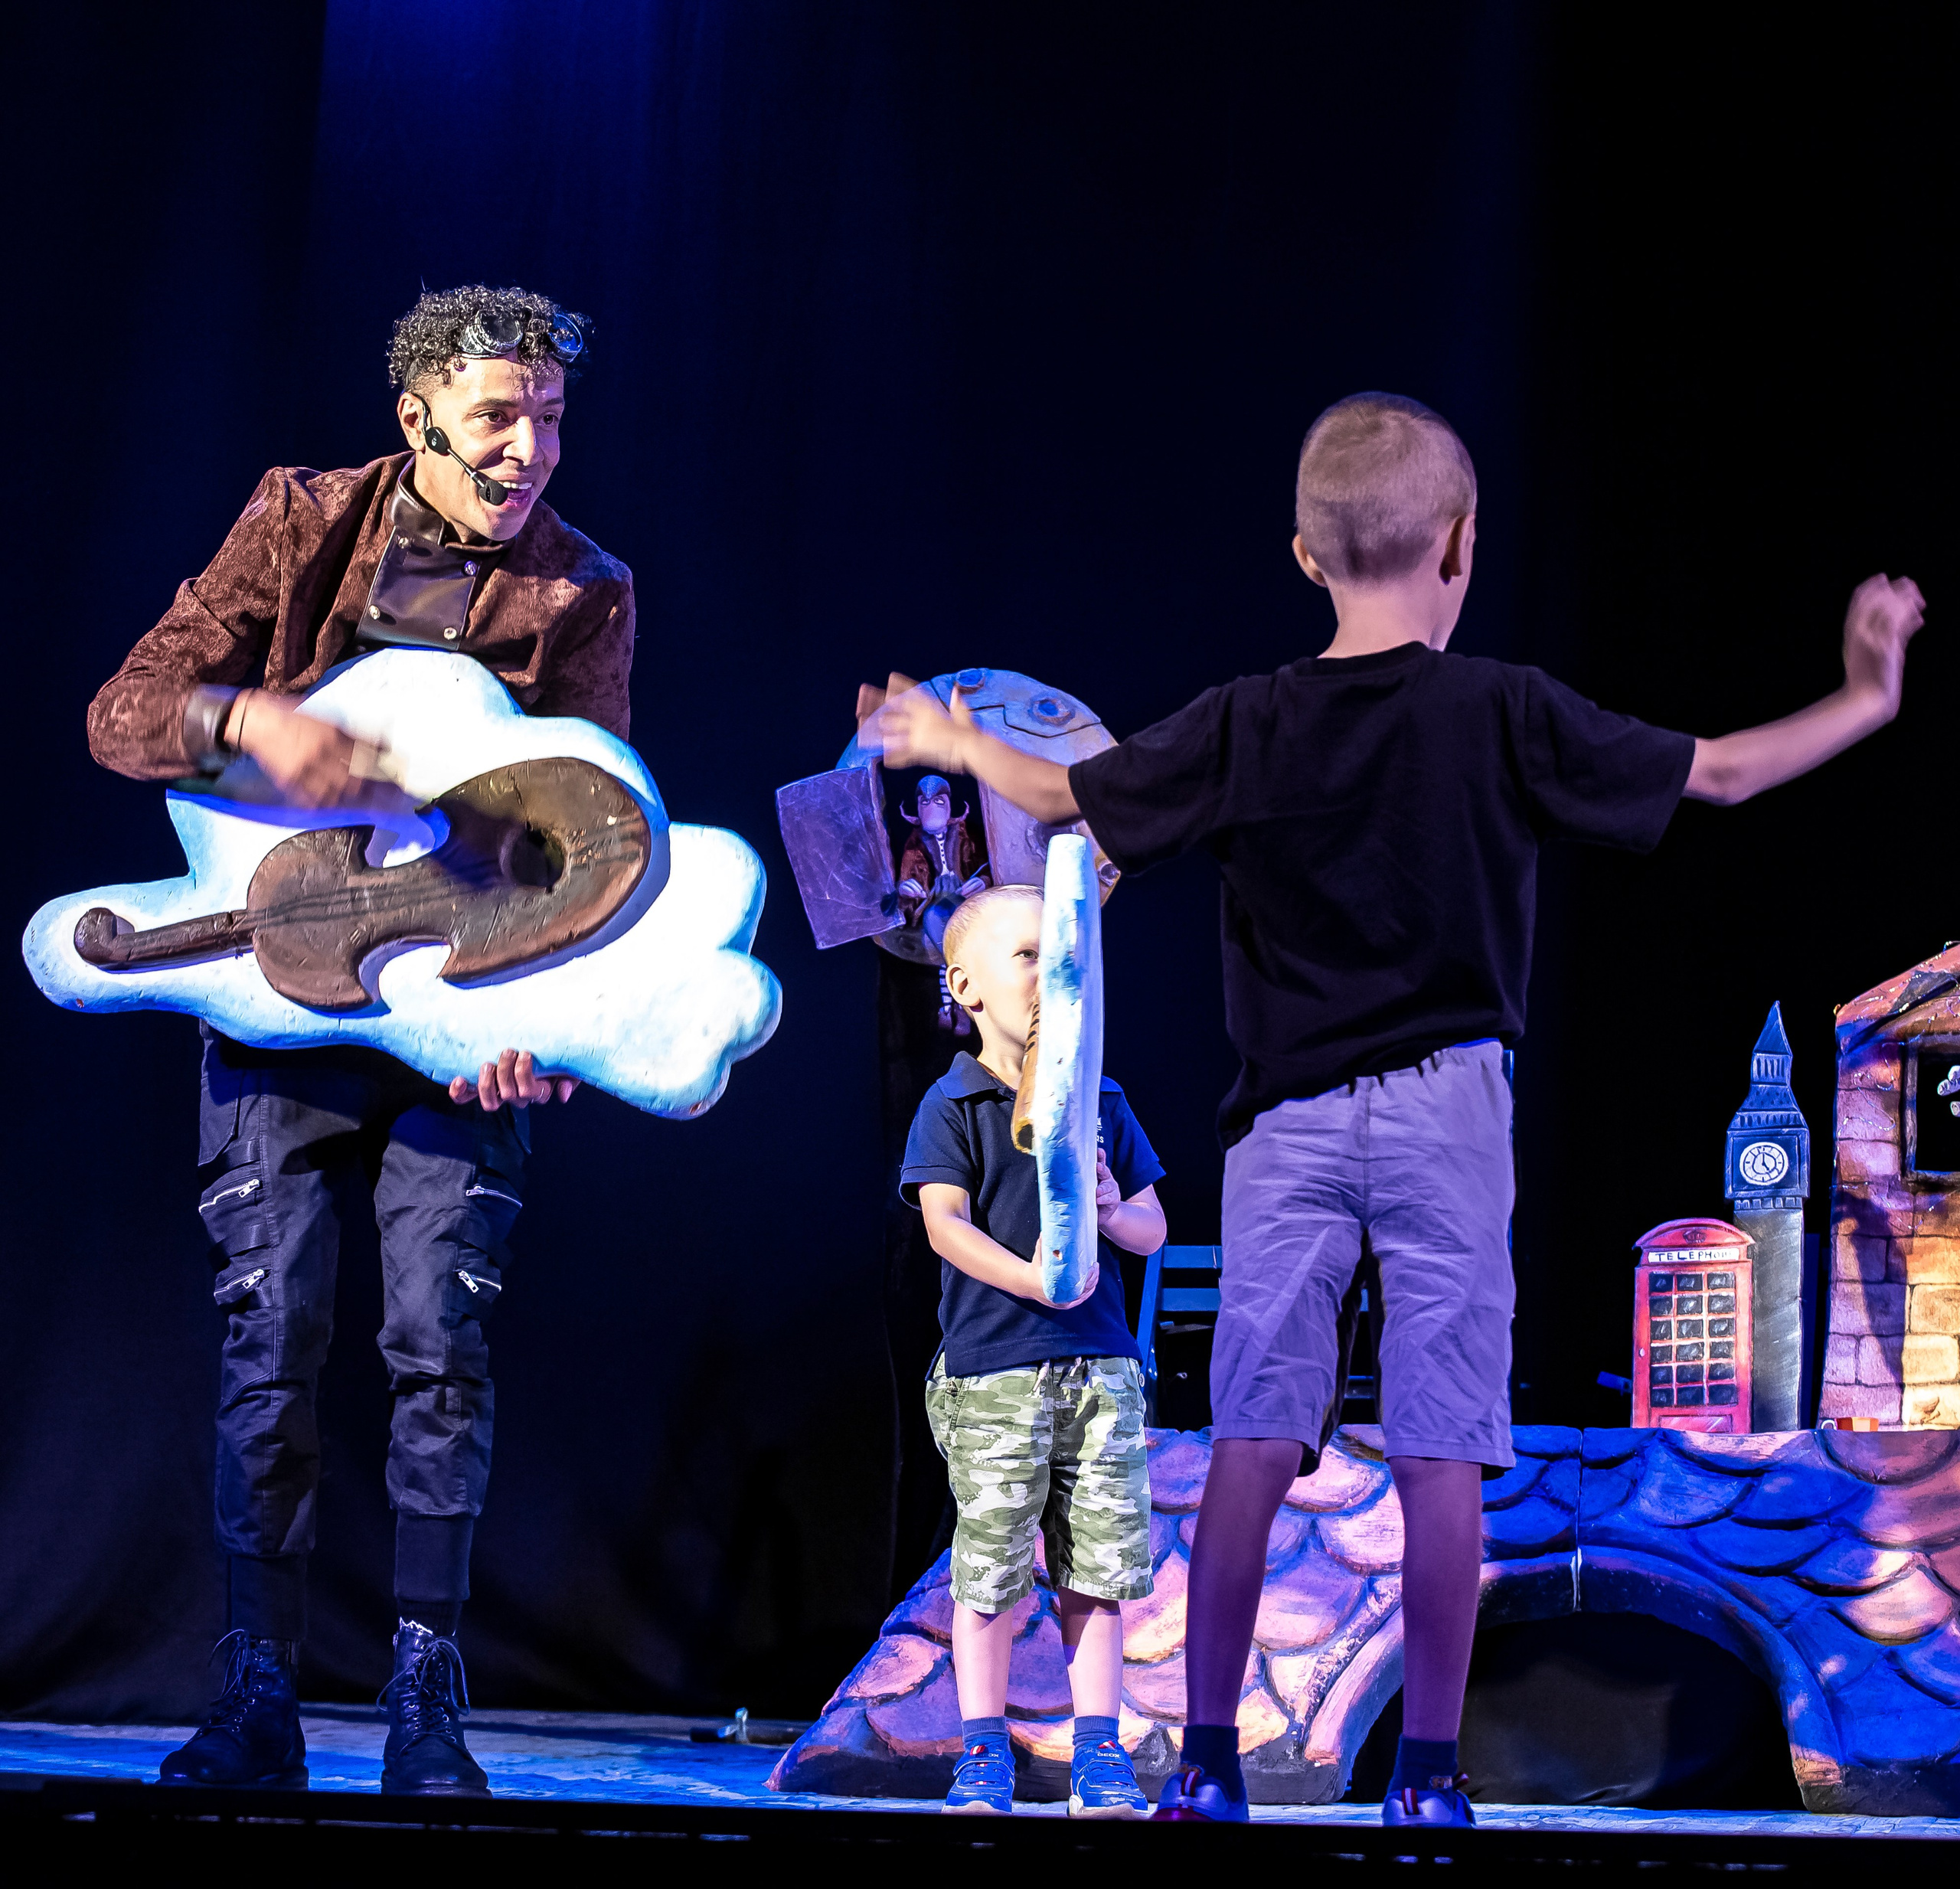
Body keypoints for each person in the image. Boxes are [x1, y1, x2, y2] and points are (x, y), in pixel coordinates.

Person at [877, 391, 1926, 1827]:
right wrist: (1867, 693)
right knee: (1439, 1448)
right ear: (1460, 543)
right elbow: (1725, 772)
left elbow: (1060, 793)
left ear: (1306, 557)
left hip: (1289, 1126)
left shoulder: (1251, 719)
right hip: (1450, 1115)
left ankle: (1207, 1764)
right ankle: (1429, 1775)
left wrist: (947, 736)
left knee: (1255, 1436)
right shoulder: (1502, 708)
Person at [87, 284, 637, 1797]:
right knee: (270, 1339)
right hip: (283, 1001)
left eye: (549, 421)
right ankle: (255, 1691)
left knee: (440, 1344)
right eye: (496, 420)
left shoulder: (583, 589)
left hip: (457, 1025)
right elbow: (123, 712)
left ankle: (425, 1701)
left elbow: (597, 846)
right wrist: (246, 723)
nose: (528, 450)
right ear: (417, 418)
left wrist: (538, 1028)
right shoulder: (303, 521)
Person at [901, 884, 1168, 1818]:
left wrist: (1109, 1205)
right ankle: (982, 1752)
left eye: (1061, 960)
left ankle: (1098, 1750)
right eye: (1026, 957)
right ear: (965, 986)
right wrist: (1031, 1276)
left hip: (1098, 1371)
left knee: (1097, 1571)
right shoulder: (954, 1102)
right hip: (996, 1369)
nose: (1050, 976)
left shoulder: (1102, 1098)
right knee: (990, 1572)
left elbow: (1151, 1227)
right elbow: (944, 1225)